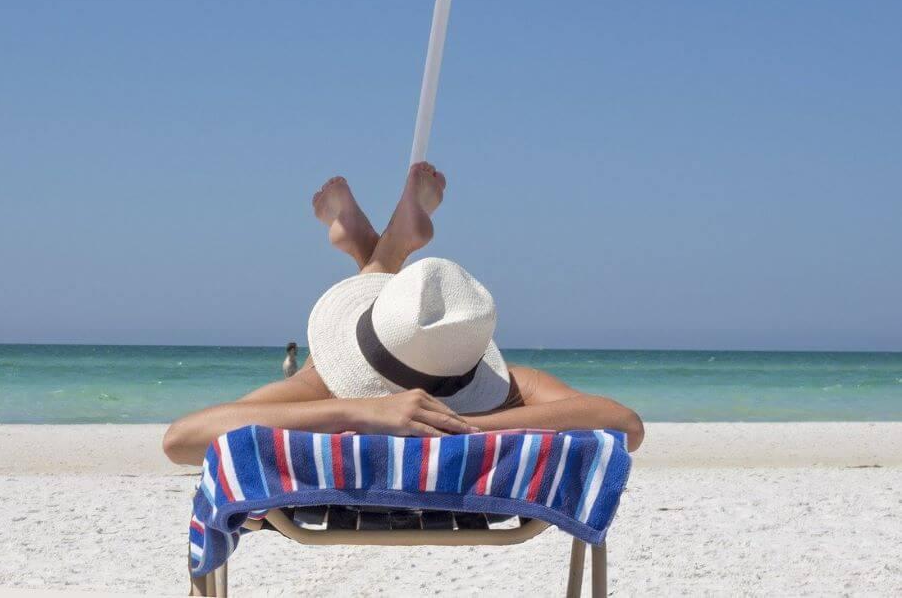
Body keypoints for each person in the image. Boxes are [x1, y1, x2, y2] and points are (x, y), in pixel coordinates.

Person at [163, 163, 644, 466]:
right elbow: (624, 423)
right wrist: (469, 423)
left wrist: (360, 411)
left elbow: (182, 439)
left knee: (317, 364)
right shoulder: (514, 391)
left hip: (342, 407)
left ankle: (386, 252)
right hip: (471, 417)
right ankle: (384, 248)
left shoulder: (323, 386)